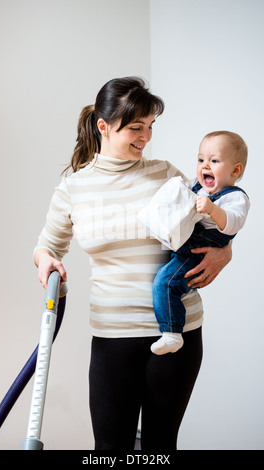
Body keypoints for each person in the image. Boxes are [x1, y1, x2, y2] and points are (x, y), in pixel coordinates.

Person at [33, 77, 232, 451]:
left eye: (151, 127)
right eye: (136, 127)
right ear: (103, 126)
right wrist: (46, 263)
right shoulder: (75, 188)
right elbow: (47, 247)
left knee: (160, 446)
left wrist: (226, 251)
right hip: (112, 336)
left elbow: (213, 221)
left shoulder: (166, 174)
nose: (146, 136)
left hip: (177, 333)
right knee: (111, 448)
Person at [151, 131, 250, 355]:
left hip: (195, 253)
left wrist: (213, 209)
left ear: (235, 170)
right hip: (182, 244)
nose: (205, 165)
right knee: (165, 276)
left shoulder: (235, 198)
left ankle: (172, 333)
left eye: (214, 160)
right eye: (201, 159)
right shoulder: (196, 185)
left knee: (165, 284)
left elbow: (233, 224)